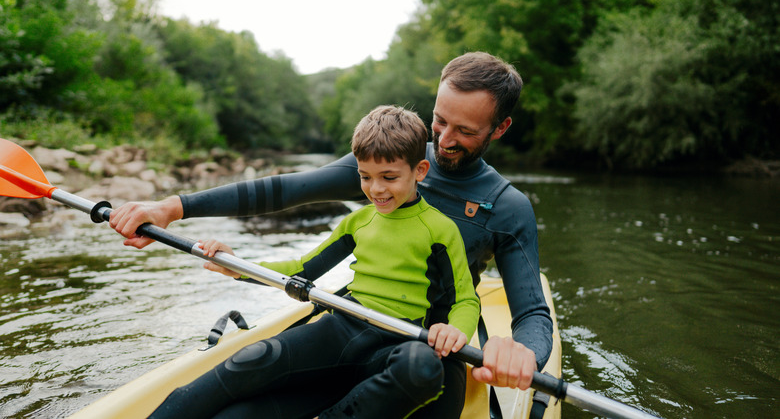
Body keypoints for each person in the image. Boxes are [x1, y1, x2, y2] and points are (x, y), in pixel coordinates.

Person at [110, 51, 553, 393]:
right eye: (439, 120)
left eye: (466, 131)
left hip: (430, 352)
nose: (444, 139)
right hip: (354, 321)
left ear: (500, 128)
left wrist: (524, 355)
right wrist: (172, 207)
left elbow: (532, 312)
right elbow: (282, 190)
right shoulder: (392, 160)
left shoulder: (507, 207)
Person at [148, 105, 481, 418]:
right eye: (365, 177)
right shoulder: (359, 221)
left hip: (396, 343)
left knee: (421, 365)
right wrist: (237, 267)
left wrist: (456, 330)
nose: (376, 189)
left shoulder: (439, 229)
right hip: (341, 329)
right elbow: (303, 269)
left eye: (389, 177)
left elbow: (465, 299)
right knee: (251, 360)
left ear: (419, 170)